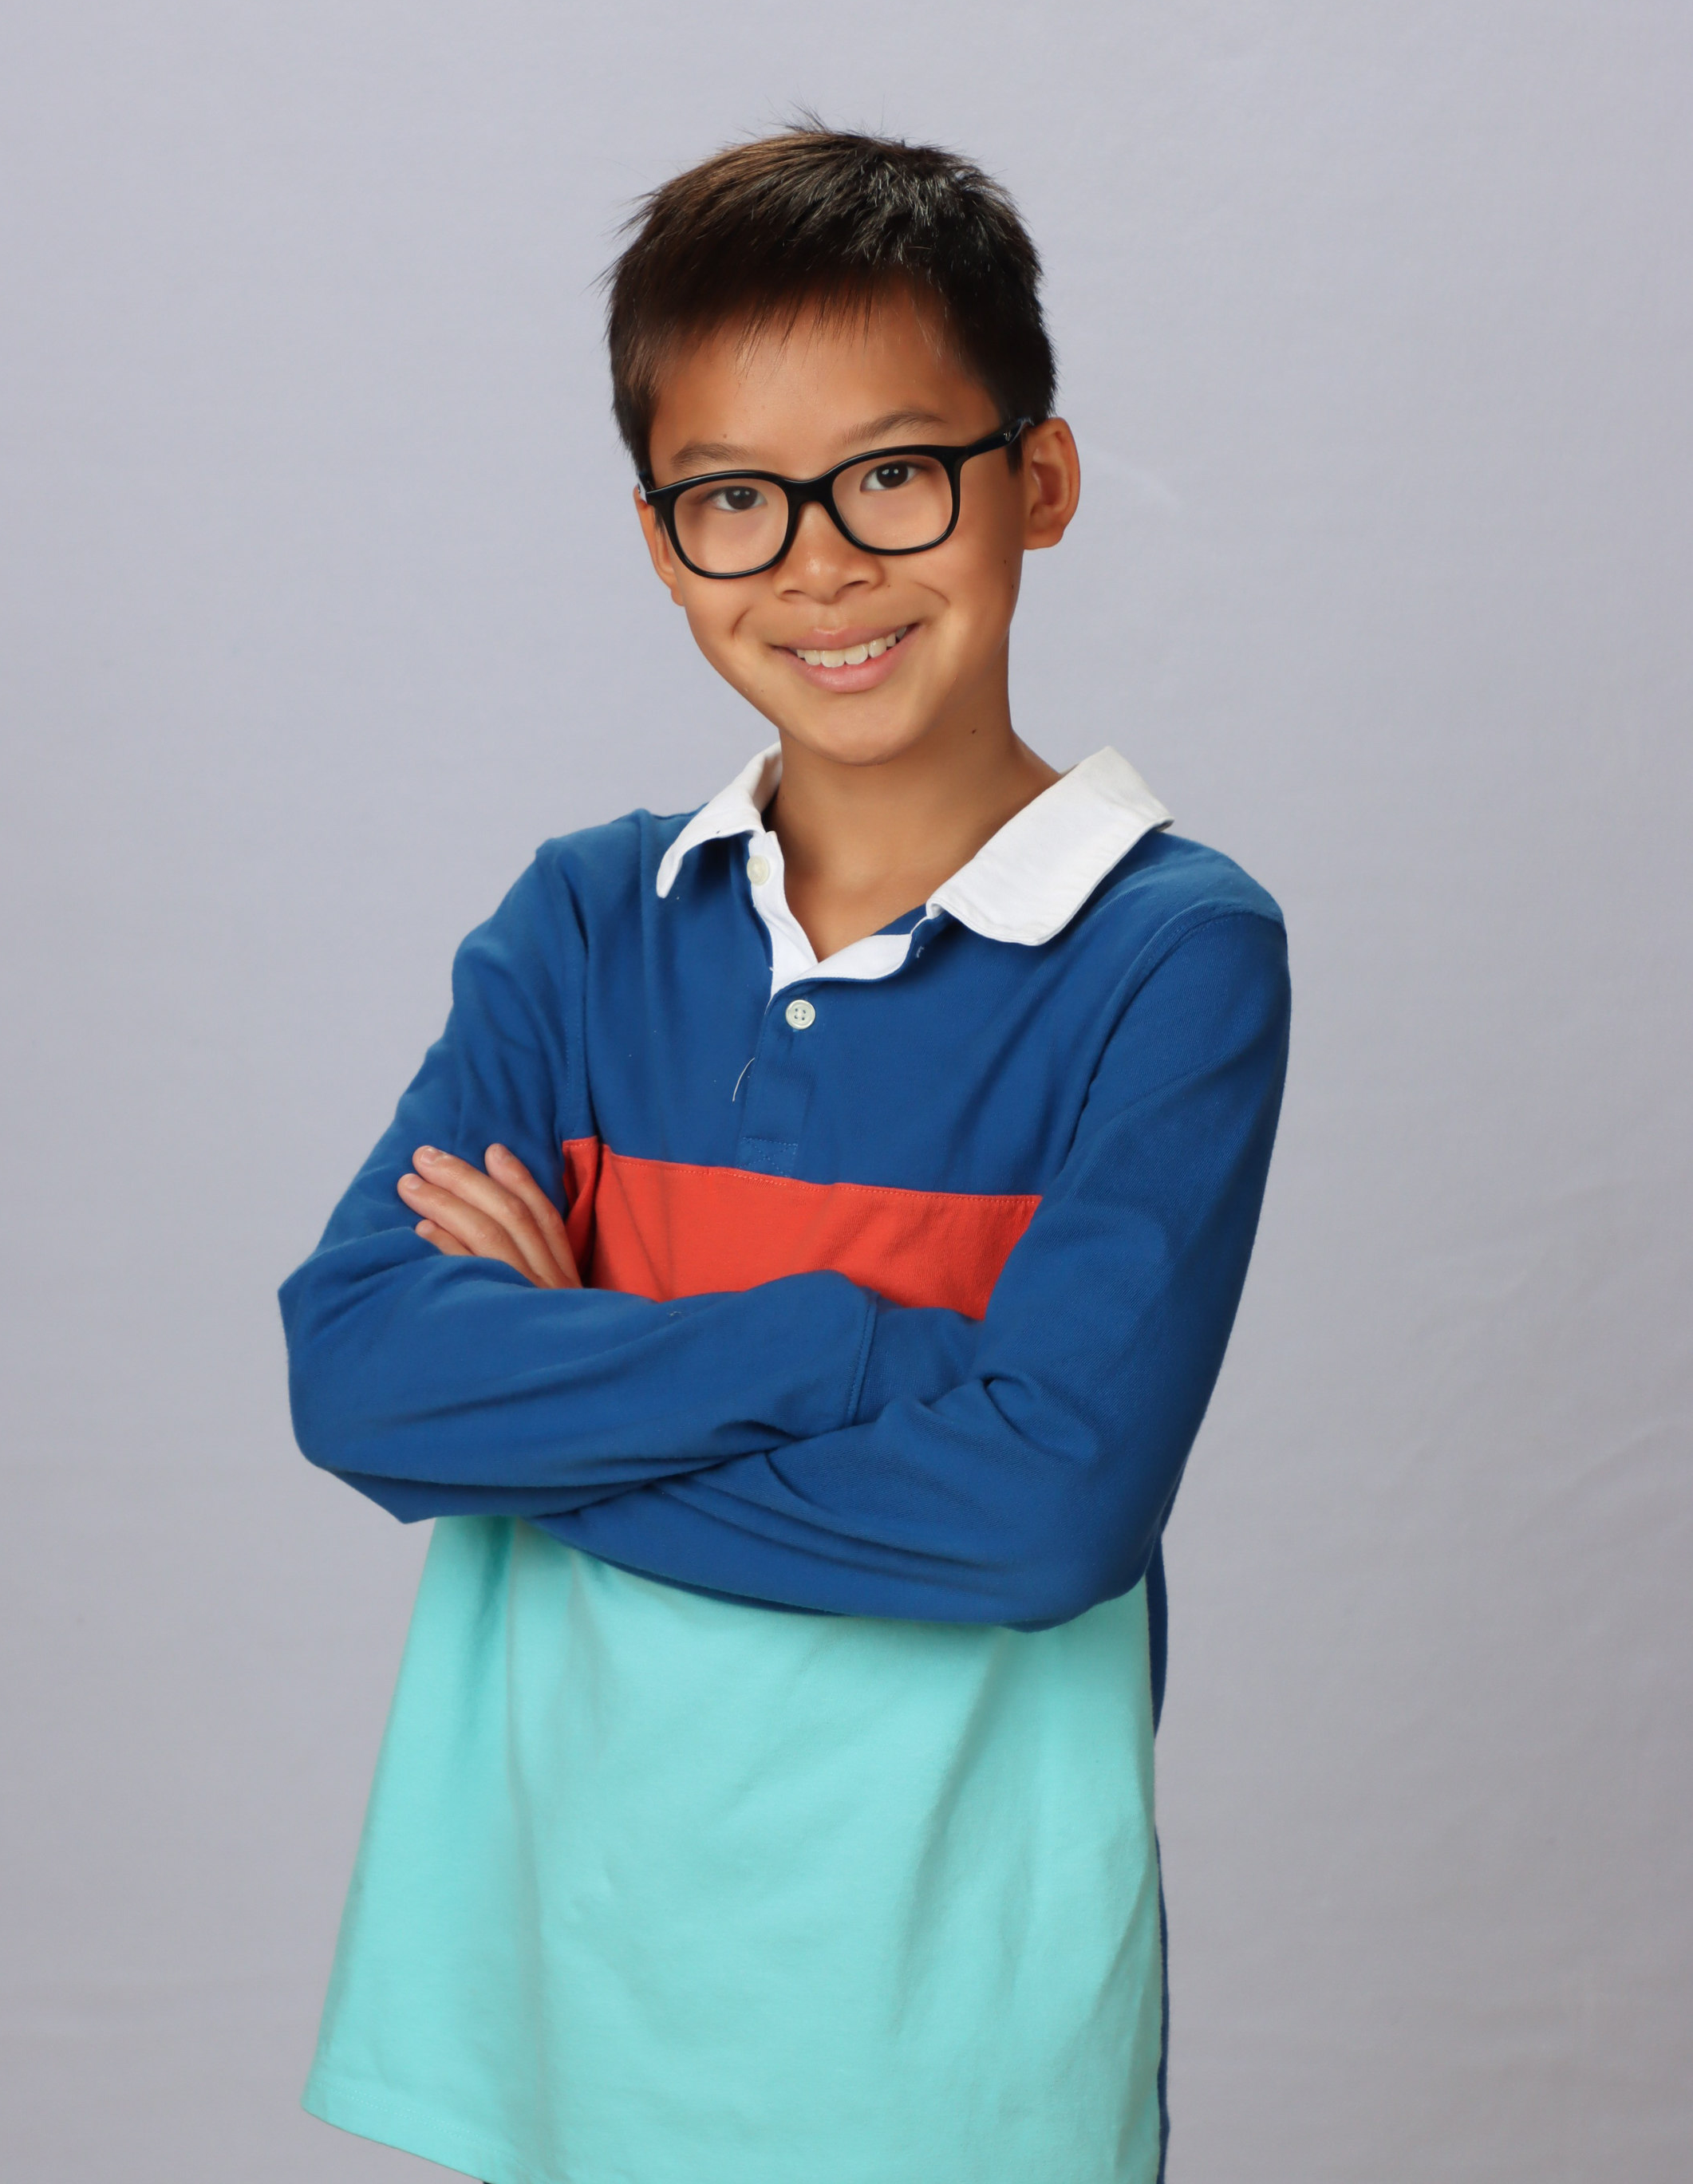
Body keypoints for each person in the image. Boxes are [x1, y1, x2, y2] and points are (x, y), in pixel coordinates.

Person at [280, 124, 1290, 2184]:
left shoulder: (1170, 958)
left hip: (947, 2038)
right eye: (734, 500)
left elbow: (1045, 1515)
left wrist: (553, 1394)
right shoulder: (587, 923)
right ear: (664, 546)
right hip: (561, 1980)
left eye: (893, 473)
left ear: (1040, 479)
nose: (817, 565)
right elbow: (361, 1378)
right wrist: (849, 1345)